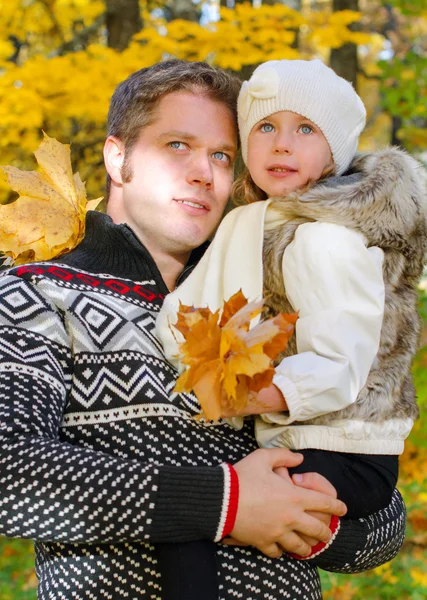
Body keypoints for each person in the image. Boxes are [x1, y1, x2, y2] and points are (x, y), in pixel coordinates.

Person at [0, 60, 406, 600]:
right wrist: (227, 503)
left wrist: (303, 518)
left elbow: (384, 524)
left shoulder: (269, 296)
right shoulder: (37, 291)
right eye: (177, 146)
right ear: (117, 157)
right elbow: (10, 472)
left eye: (221, 155)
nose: (203, 172)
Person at [157, 59, 426, 597]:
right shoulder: (246, 222)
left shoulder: (327, 238)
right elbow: (185, 308)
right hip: (289, 433)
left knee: (218, 515)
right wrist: (187, 355)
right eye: (265, 128)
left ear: (333, 154)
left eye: (305, 129)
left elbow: (343, 363)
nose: (282, 144)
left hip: (348, 445)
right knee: (199, 517)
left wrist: (256, 392)